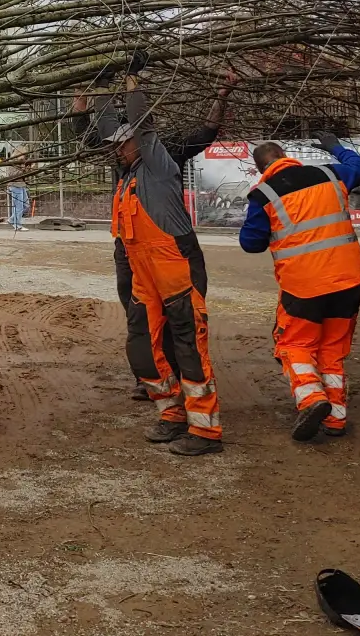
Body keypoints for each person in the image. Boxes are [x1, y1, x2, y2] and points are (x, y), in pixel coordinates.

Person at [78, 71, 237, 403]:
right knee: (141, 319)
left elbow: (204, 131)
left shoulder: (163, 156)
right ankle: (156, 381)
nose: (117, 150)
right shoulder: (122, 162)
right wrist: (92, 92)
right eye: (115, 145)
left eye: (123, 142)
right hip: (132, 251)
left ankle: (190, 392)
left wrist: (222, 92)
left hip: (170, 252)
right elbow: (91, 133)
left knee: (182, 323)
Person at [104, 54, 222, 456]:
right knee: (142, 345)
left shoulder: (157, 165)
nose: (118, 149)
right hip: (144, 276)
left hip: (176, 267)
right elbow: (103, 123)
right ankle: (170, 411)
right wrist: (99, 83)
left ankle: (205, 429)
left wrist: (134, 78)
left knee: (188, 344)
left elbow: (141, 122)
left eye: (123, 143)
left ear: (139, 142)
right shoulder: (127, 176)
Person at [239, 135, 360, 441]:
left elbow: (251, 244)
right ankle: (336, 420)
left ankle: (311, 399)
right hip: (350, 281)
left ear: (261, 168)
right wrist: (334, 147)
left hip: (304, 288)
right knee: (332, 349)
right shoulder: (328, 173)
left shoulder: (263, 196)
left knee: (295, 346)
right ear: (286, 155)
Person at [6, 147, 32, 232]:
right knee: (19, 206)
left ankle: (12, 219)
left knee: (26, 205)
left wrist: (28, 169)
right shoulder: (12, 163)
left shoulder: (22, 163)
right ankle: (17, 225)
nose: (24, 157)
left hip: (21, 185)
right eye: (23, 155)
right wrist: (23, 169)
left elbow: (23, 176)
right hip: (15, 186)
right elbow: (13, 175)